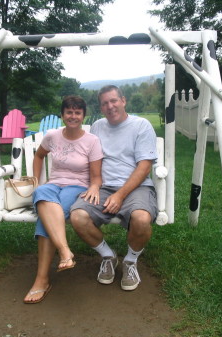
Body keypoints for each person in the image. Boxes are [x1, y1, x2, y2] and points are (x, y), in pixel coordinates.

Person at [70, 85, 158, 291]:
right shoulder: (98, 126)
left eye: (113, 101)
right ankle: (108, 256)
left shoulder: (141, 126)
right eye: (104, 103)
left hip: (137, 187)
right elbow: (93, 158)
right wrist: (94, 184)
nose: (110, 106)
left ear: (123, 101)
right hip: (103, 187)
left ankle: (130, 260)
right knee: (78, 217)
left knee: (142, 219)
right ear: (101, 108)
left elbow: (144, 166)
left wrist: (120, 195)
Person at [24, 95, 103, 304]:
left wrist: (94, 186)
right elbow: (39, 155)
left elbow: (96, 176)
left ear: (83, 115)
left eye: (78, 112)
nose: (73, 116)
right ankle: (65, 250)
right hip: (53, 184)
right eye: (69, 112)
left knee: (45, 217)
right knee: (40, 193)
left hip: (76, 187)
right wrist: (36, 179)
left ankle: (41, 281)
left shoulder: (91, 141)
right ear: (62, 115)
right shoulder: (52, 136)